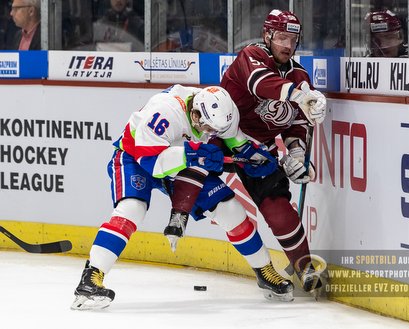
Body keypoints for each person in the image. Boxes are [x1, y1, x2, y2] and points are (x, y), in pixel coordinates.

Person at [71, 85, 294, 311]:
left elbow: (235, 141)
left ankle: (265, 271)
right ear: (194, 114)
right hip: (136, 157)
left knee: (230, 210)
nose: (210, 133)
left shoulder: (218, 112)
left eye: (214, 130)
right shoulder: (164, 112)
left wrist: (251, 155)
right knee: (132, 208)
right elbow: (153, 164)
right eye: (206, 128)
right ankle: (91, 278)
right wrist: (191, 153)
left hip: (183, 160)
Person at [219, 9, 327, 294]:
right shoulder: (251, 56)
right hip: (221, 138)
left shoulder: (299, 75)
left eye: (292, 39)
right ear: (267, 36)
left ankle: (303, 266)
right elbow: (260, 83)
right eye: (281, 37)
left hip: (259, 151)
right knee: (197, 190)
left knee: (278, 208)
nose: (287, 45)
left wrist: (295, 152)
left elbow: (297, 122)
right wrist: (299, 95)